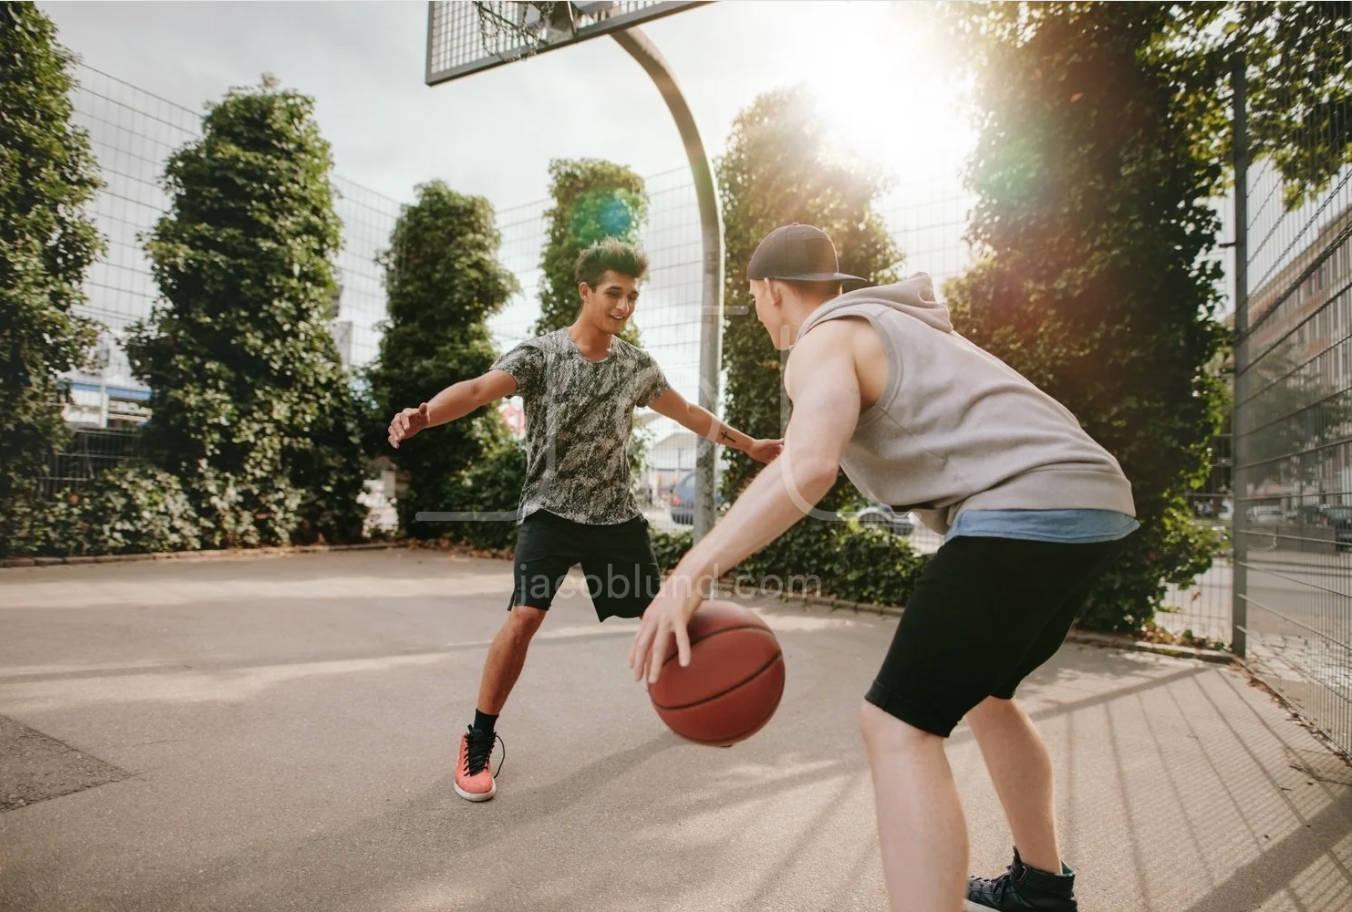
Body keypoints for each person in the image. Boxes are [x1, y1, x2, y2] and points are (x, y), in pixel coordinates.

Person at [630, 224, 1137, 912]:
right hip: (1092, 503)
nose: (758, 311)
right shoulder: (890, 324)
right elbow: (833, 448)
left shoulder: (821, 340)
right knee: (989, 695)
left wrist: (689, 573)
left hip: (1024, 508)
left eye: (754, 298)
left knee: (896, 727)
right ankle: (1042, 887)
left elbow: (812, 468)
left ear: (773, 292)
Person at [388, 238, 782, 803]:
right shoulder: (542, 354)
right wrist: (424, 415)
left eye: (632, 297)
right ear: (586, 292)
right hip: (549, 509)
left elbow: (691, 414)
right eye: (614, 294)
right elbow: (477, 391)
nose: (624, 306)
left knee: (668, 614)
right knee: (524, 617)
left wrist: (750, 447)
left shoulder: (635, 366)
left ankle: (709, 701)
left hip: (613, 517)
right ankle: (477, 738)